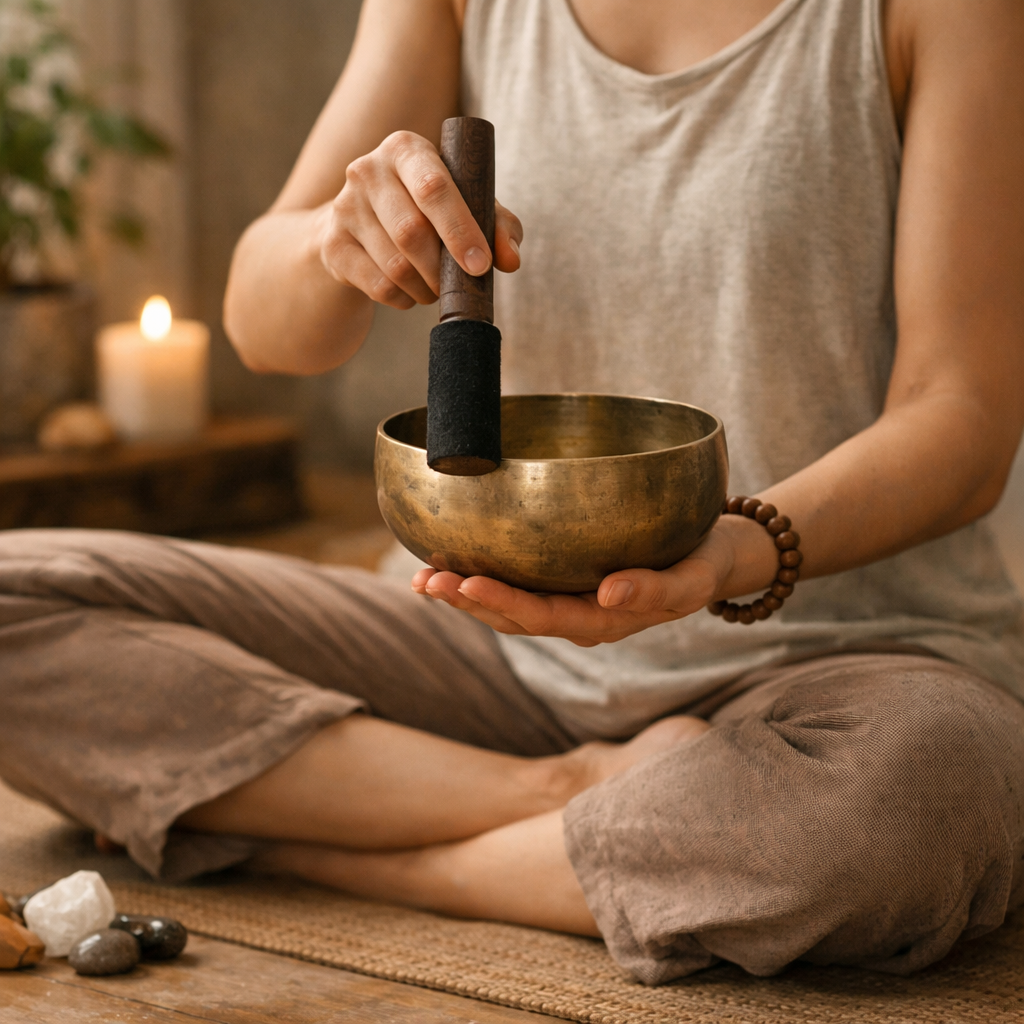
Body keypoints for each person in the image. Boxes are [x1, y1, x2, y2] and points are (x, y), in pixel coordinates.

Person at [1, 0, 1023, 984]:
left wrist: (734, 552)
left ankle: (339, 853)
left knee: (921, 800)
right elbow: (266, 327)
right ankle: (557, 796)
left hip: (834, 661)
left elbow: (961, 417)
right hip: (476, 631)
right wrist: (334, 241)